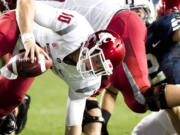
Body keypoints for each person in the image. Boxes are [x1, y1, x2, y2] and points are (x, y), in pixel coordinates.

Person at [0, 3, 125, 135]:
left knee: (8, 101)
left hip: (32, 60)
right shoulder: (76, 29)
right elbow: (25, 3)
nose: (92, 68)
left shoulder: (89, 80)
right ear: (91, 44)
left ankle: (13, 111)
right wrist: (29, 41)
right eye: (96, 60)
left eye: (100, 68)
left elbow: (73, 123)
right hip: (21, 27)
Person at [99, 1, 180, 135]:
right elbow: (111, 90)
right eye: (130, 13)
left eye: (138, 11)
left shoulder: (161, 27)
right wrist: (101, 123)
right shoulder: (123, 48)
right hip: (169, 103)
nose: (135, 17)